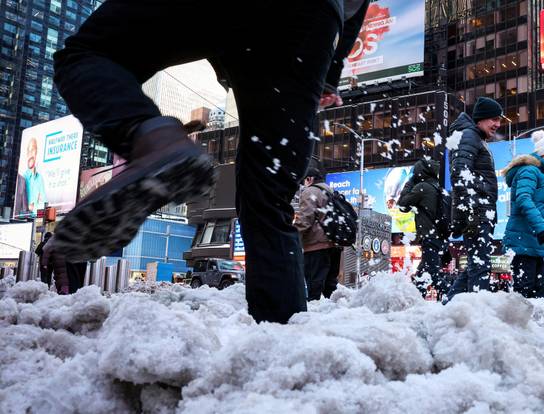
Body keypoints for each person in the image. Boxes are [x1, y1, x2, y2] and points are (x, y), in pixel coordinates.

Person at [52, 0, 370, 323]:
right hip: (311, 21)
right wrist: (331, 71)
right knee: (268, 200)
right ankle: (282, 341)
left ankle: (152, 139)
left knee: (87, 54)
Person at [446, 97, 501, 301]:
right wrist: (481, 197)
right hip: (475, 212)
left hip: (477, 211)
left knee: (476, 264)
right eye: (493, 119)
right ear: (480, 119)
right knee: (479, 264)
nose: (497, 124)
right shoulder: (469, 136)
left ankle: (449, 307)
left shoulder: (475, 138)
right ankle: (480, 310)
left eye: (499, 120)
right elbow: (459, 173)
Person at [501, 130, 544, 299]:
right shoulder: (530, 171)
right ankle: (519, 325)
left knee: (538, 291)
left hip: (531, 240)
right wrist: (541, 227)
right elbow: (523, 199)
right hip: (524, 240)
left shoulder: (538, 173)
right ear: (543, 153)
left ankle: (538, 326)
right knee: (526, 293)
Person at [294, 159, 341, 301]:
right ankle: (334, 314)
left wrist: (292, 236)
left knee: (314, 283)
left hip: (316, 246)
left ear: (309, 179)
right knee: (330, 285)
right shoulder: (332, 192)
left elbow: (305, 220)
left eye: (304, 182)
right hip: (335, 245)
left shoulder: (310, 192)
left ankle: (313, 317)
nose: (303, 186)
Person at [397, 158, 445, 297]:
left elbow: (402, 205)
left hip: (429, 237)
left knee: (434, 275)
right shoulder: (437, 187)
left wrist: (409, 183)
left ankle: (454, 297)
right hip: (438, 237)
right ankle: (417, 300)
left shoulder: (422, 187)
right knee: (423, 274)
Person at [23, 138, 46, 217]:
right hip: (23, 220)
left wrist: (33, 208)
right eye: (28, 151)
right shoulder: (22, 178)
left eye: (32, 150)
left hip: (36, 219)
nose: (30, 154)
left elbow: (44, 203)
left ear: (36, 152)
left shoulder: (40, 178)